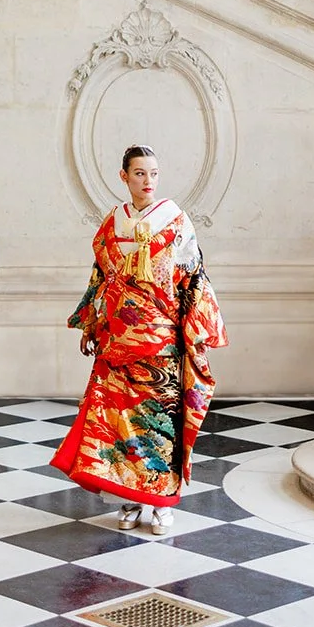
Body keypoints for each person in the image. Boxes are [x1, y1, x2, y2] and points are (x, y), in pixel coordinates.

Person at [50, 145, 227, 535]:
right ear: (124, 177)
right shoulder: (114, 221)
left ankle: (161, 502)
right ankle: (129, 498)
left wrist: (195, 333)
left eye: (154, 174)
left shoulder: (175, 219)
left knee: (159, 419)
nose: (148, 181)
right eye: (140, 174)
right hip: (118, 336)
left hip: (161, 336)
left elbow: (193, 276)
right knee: (118, 421)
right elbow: (100, 275)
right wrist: (93, 323)